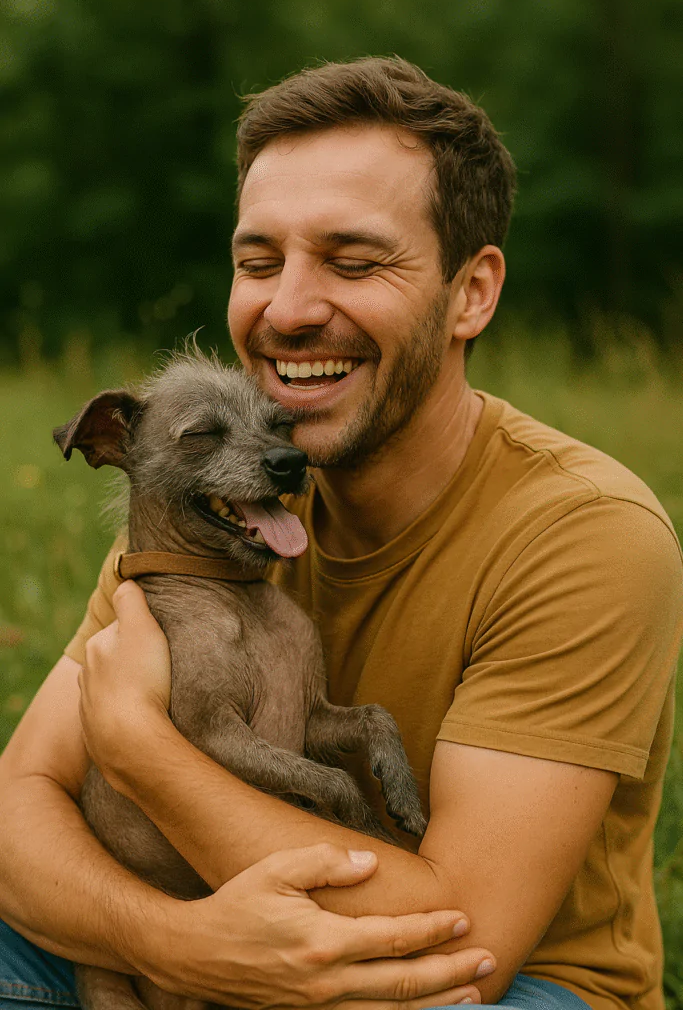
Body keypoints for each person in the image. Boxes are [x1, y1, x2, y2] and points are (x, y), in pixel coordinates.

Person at [0, 56, 681, 1010]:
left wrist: (138, 747)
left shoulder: (583, 536)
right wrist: (177, 943)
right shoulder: (207, 501)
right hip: (209, 934)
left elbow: (462, 941)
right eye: (258, 262)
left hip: (494, 982)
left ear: (471, 293)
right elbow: (15, 807)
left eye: (354, 262)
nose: (287, 309)